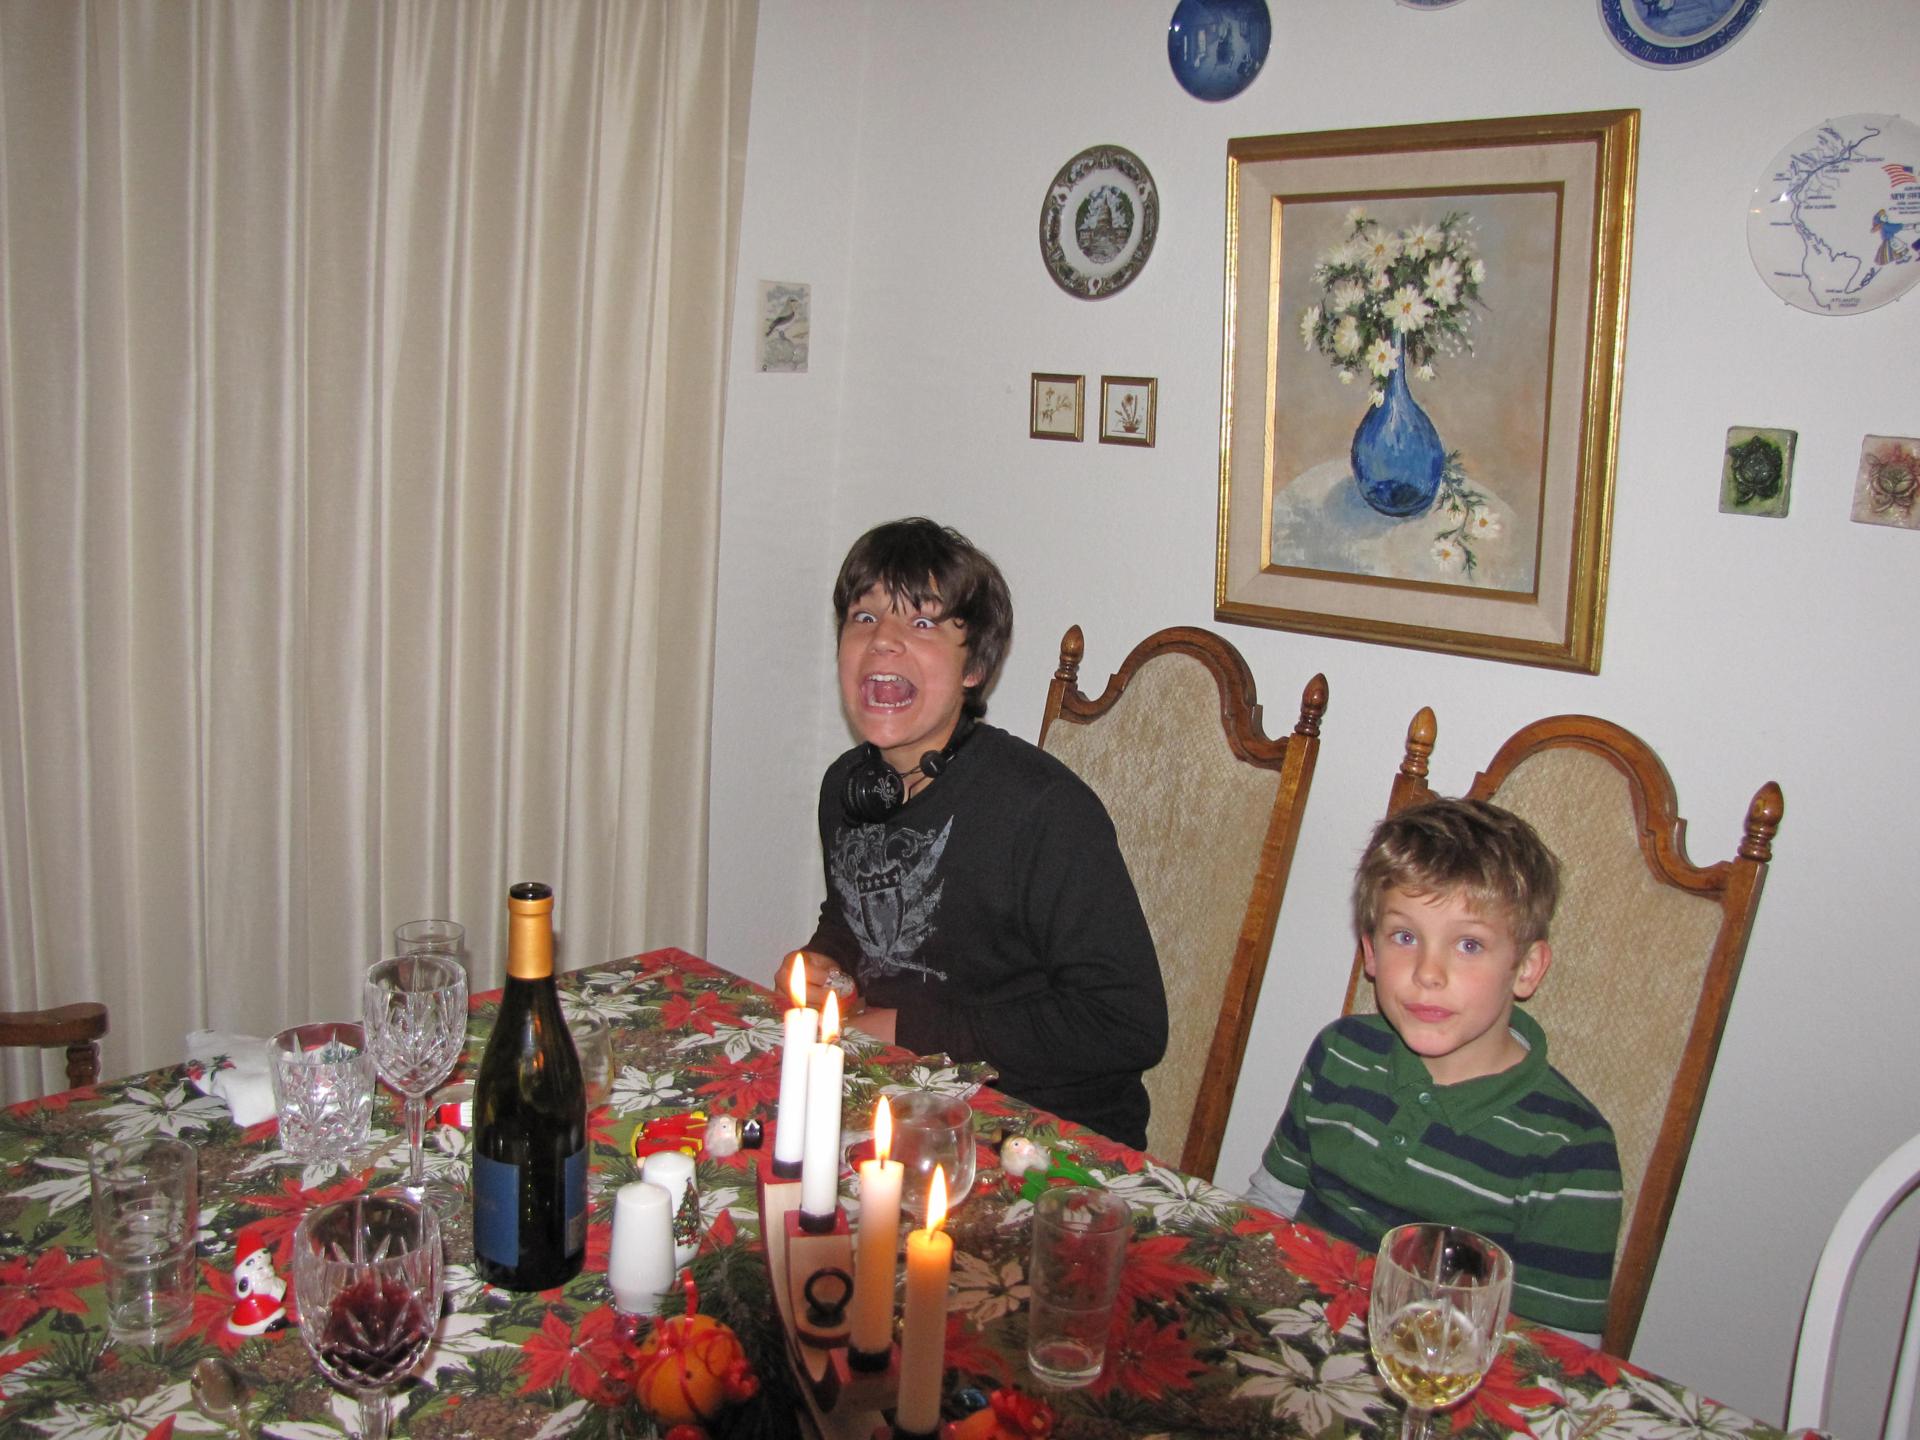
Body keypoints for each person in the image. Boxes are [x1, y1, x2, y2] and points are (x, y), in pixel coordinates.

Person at [790, 518, 1166, 1150]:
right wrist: (826, 961)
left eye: (922, 622)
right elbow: (851, 921)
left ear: (976, 667)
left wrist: (909, 1030)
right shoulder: (847, 787)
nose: (883, 640)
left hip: (1042, 1133)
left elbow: (1125, 1023)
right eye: (864, 617)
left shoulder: (1043, 810)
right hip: (903, 1101)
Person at [1247, 798, 1622, 1341]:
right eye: (1405, 937)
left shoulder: (1571, 1150)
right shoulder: (1339, 1054)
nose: (1428, 972)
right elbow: (1268, 1211)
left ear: (1526, 968)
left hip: (1439, 1375)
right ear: (1370, 951)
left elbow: (1557, 1356)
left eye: (1469, 944)